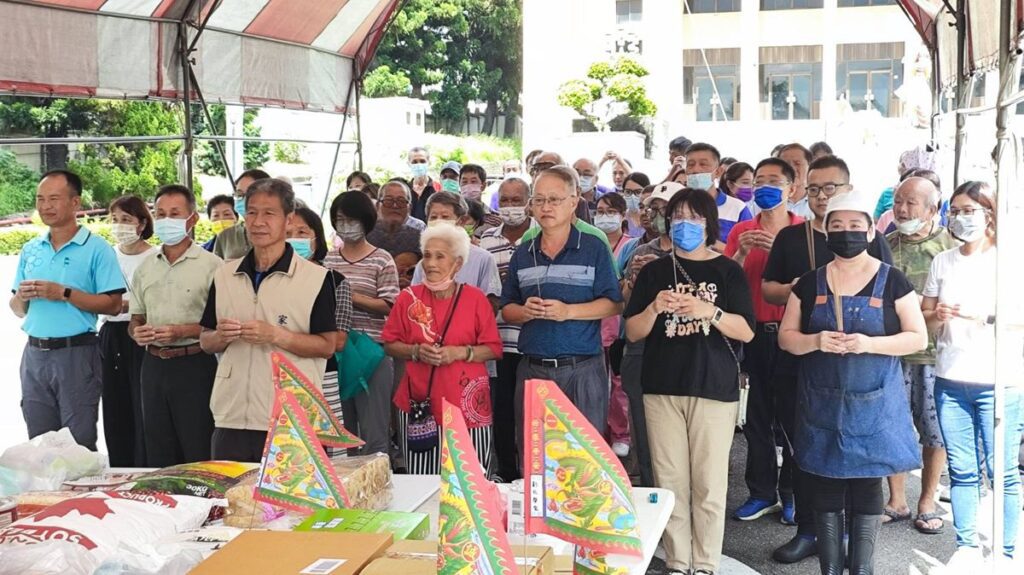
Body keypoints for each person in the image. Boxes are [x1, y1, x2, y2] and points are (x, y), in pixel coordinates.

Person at [779, 189, 926, 575]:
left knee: (866, 486)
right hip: (821, 405)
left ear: (870, 231)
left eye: (855, 225)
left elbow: (917, 337)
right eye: (838, 225)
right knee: (825, 485)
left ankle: (862, 568)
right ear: (827, 232)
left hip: (874, 405)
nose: (847, 232)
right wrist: (814, 341)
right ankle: (830, 568)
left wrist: (869, 344)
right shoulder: (808, 283)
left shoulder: (893, 281)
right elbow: (786, 338)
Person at [761, 155, 895, 565]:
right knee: (805, 451)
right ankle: (809, 530)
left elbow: (891, 297)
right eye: (814, 189)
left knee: (859, 456)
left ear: (847, 189)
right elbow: (767, 289)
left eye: (830, 188)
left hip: (859, 370)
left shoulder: (870, 236)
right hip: (801, 363)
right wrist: (800, 290)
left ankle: (853, 537)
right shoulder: (790, 237)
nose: (821, 196)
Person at [624, 186, 755, 575]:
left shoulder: (727, 270)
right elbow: (632, 332)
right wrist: (653, 308)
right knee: (671, 481)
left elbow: (746, 331)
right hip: (661, 387)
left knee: (709, 484)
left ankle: (706, 564)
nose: (685, 225)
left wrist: (709, 311)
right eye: (678, 217)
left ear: (709, 224)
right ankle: (679, 562)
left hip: (713, 388)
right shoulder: (654, 271)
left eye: (694, 218)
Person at [199, 179, 337, 462]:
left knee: (291, 493)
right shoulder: (224, 275)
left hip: (291, 416)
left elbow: (327, 346)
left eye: (269, 213)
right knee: (233, 489)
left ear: (288, 219)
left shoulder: (316, 278)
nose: (258, 222)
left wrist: (276, 335)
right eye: (251, 212)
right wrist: (220, 336)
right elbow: (205, 341)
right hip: (232, 415)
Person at [923, 181, 1022, 566]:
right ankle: (966, 546)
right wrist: (938, 315)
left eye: (969, 211)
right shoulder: (943, 261)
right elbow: (926, 318)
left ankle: (1005, 552)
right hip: (951, 378)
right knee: (962, 469)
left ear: (989, 214)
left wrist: (985, 316)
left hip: (1000, 381)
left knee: (1003, 471)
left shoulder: (1009, 259)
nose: (961, 218)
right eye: (956, 211)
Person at [502, 166, 623, 435]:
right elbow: (507, 309)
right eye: (539, 200)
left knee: (584, 453)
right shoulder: (523, 252)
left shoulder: (593, 247)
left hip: (582, 369)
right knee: (534, 453)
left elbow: (614, 303)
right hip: (533, 368)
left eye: (554, 199)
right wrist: (524, 312)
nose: (546, 207)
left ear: (573, 202)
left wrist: (568, 311)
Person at [10, 170, 125, 450]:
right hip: (34, 354)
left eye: (53, 198)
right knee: (39, 442)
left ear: (75, 203)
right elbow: (17, 309)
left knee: (77, 443)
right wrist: (22, 296)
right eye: (40, 199)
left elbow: (113, 304)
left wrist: (64, 293)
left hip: (76, 353)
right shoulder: (31, 248)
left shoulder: (97, 249)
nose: (45, 206)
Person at [382, 223, 502, 474]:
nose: (431, 263)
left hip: (467, 405)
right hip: (419, 405)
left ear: (457, 264)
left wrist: (460, 352)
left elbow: (493, 348)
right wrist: (416, 351)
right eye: (427, 256)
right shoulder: (408, 298)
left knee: (471, 478)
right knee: (422, 479)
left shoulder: (476, 299)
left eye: (440, 256)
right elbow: (390, 344)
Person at [725, 158, 805, 525]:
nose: (764, 188)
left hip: (791, 333)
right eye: (759, 181)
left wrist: (779, 252)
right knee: (755, 417)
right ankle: (761, 492)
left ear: (792, 188)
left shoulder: (803, 231)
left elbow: (811, 282)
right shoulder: (742, 229)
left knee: (792, 418)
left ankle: (791, 493)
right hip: (752, 333)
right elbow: (726, 281)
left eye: (774, 181)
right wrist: (741, 251)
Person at [881, 177, 957, 534]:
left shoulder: (948, 247)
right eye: (898, 201)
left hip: (933, 354)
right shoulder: (884, 245)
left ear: (932, 209)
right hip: (891, 352)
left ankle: (927, 500)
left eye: (911, 202)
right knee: (892, 426)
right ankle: (896, 499)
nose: (901, 209)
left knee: (933, 431)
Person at [129, 184, 221, 466]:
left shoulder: (213, 266)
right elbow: (136, 318)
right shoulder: (146, 267)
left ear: (192, 219)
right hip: (153, 365)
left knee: (197, 445)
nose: (166, 220)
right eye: (161, 214)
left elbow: (221, 325)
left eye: (175, 213)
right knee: (158, 446)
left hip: (195, 364)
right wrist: (137, 332)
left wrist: (182, 331)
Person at [324, 191, 400, 456]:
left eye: (352, 219)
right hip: (338, 352)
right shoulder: (329, 259)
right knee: (341, 433)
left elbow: (390, 305)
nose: (346, 225)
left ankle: (378, 478)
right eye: (340, 219)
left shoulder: (382, 259)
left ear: (366, 221)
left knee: (374, 432)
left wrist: (349, 294)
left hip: (372, 354)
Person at [617, 183, 676, 488]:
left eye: (665, 209)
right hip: (641, 349)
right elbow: (624, 305)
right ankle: (653, 492)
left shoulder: (700, 253)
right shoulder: (639, 251)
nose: (658, 215)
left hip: (679, 348)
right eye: (654, 209)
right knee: (643, 428)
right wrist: (633, 279)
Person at [479, 176, 534, 481]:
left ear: (529, 202)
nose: (511, 206)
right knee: (501, 410)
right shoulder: (486, 239)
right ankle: (507, 472)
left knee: (529, 411)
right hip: (498, 340)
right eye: (505, 200)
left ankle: (531, 472)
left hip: (530, 339)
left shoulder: (541, 234)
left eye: (517, 200)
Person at [287, 207, 353, 456]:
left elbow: (338, 341)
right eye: (288, 233)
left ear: (317, 238)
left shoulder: (335, 280)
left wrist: (286, 337)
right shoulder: (269, 278)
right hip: (279, 371)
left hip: (322, 374)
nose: (294, 239)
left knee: (324, 447)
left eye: (302, 232)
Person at [100, 195, 158, 466]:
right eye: (115, 219)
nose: (119, 225)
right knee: (115, 405)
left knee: (141, 405)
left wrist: (121, 304)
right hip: (111, 335)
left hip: (141, 334)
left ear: (142, 223)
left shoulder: (154, 256)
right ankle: (119, 465)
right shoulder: (107, 255)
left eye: (126, 219)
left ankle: (144, 465)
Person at [593, 192, 632, 457]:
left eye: (610, 211)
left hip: (619, 325)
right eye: (600, 211)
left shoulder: (631, 246)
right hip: (594, 323)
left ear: (622, 215)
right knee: (597, 382)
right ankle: (599, 434)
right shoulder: (592, 243)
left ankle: (621, 434)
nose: (604, 216)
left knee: (619, 383)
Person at [413, 192, 501, 303]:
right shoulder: (424, 264)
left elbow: (490, 303)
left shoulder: (483, 259)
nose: (439, 222)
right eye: (433, 217)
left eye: (445, 217)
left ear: (461, 221)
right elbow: (415, 300)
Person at [684, 142, 752, 250]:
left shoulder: (737, 208)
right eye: (691, 165)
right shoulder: (678, 206)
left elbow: (749, 251)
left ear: (718, 172)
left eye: (703, 164)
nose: (696, 170)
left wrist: (717, 247)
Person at [212, 169, 271, 260]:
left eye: (251, 194)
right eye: (239, 194)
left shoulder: (282, 232)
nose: (244, 199)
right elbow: (216, 267)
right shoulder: (225, 236)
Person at [367, 180, 423, 257]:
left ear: (409, 208)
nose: (395, 206)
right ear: (377, 206)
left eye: (401, 201)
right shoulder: (366, 234)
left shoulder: (419, 236)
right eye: (388, 200)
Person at [774, 144, 814, 219]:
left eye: (797, 163)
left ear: (809, 167)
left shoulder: (820, 202)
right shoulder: (768, 202)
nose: (792, 168)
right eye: (786, 165)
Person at [460, 163, 501, 229]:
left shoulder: (495, 218)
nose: (468, 185)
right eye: (464, 182)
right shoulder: (452, 215)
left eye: (473, 181)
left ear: (483, 186)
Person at [408, 146, 439, 221]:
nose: (419, 165)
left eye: (422, 161)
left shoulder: (438, 188)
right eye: (414, 162)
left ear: (429, 163)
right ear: (409, 164)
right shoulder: (405, 189)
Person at [621, 172, 651, 238]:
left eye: (638, 192)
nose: (632, 196)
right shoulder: (620, 219)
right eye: (628, 192)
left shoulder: (653, 218)